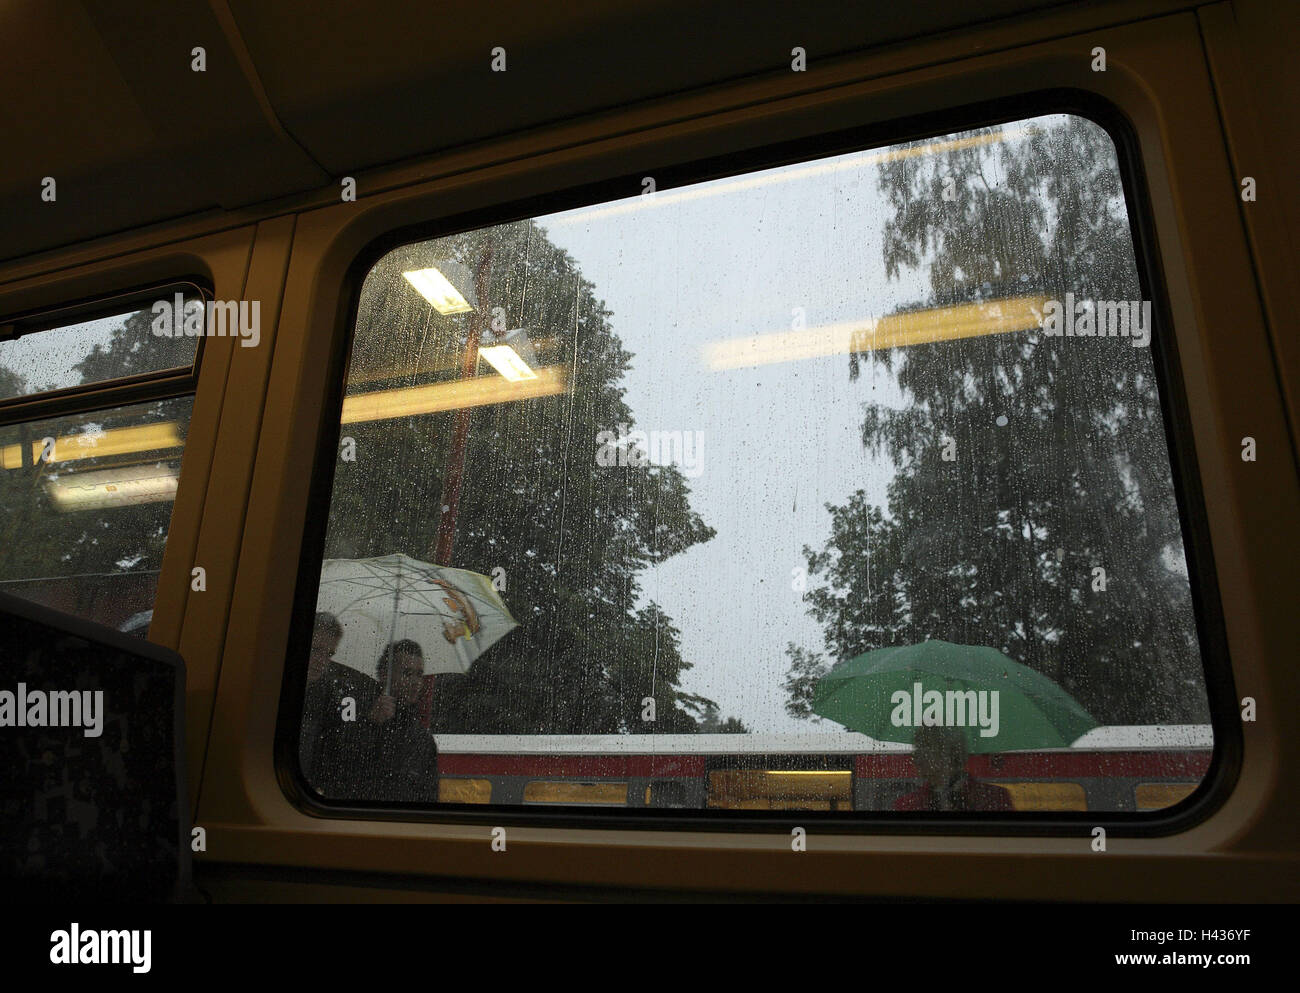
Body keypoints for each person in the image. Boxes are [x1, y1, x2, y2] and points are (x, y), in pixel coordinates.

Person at [318, 639, 439, 803]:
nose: (416, 682)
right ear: (384, 675)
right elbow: (335, 770)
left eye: (419, 674)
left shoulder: (421, 736)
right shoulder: (354, 712)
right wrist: (370, 724)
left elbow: (429, 794)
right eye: (407, 673)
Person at [300, 612, 378, 785]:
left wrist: (370, 720)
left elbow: (342, 746)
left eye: (329, 654)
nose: (322, 661)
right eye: (316, 650)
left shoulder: (332, 696)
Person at [894, 723, 1014, 812]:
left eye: (926, 748)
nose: (916, 757)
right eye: (917, 749)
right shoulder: (906, 805)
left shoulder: (995, 798)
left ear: (950, 753)